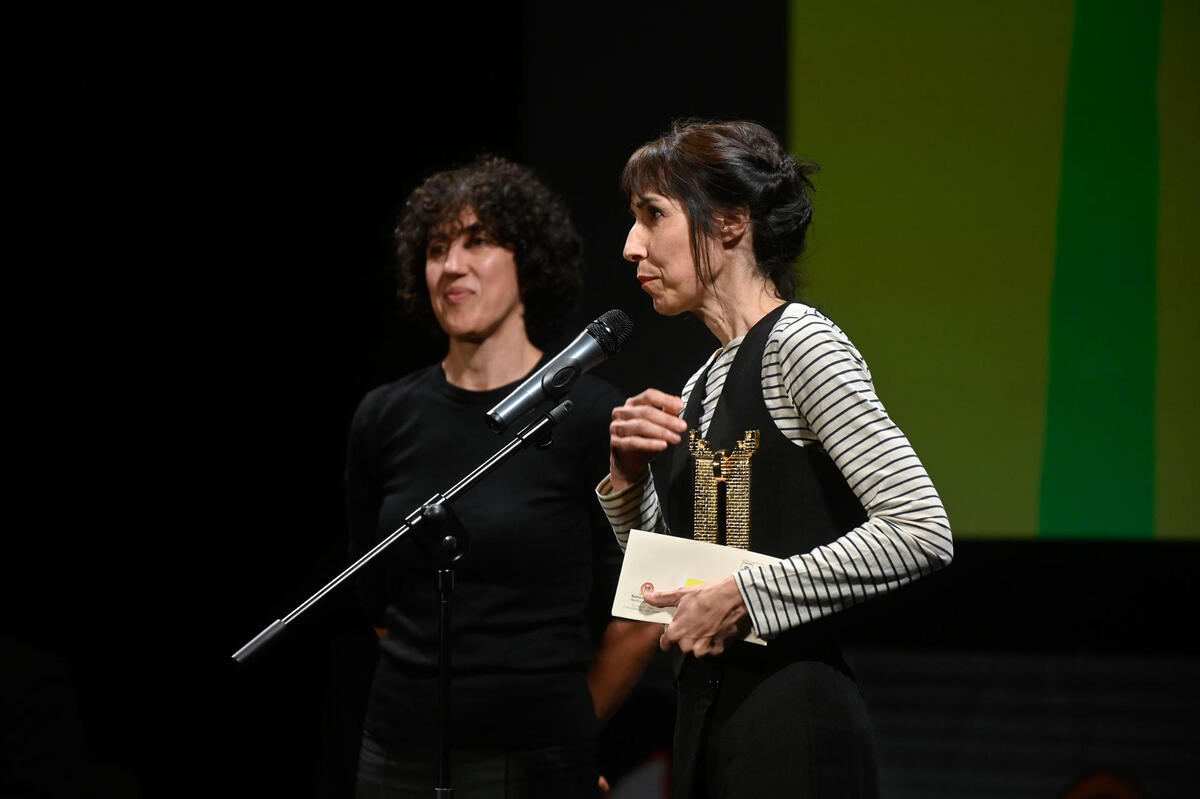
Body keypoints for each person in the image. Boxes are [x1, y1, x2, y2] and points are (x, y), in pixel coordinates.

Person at [596, 119, 954, 798]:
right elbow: (672, 583)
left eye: (653, 216)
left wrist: (746, 597)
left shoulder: (800, 343)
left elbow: (920, 528)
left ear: (731, 223)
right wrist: (626, 480)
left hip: (795, 725)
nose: (630, 245)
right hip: (707, 723)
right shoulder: (701, 380)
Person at [346, 154, 660, 799]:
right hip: (395, 754)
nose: (452, 265)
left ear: (528, 261)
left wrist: (571, 735)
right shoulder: (384, 416)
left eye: (477, 242)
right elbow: (375, 597)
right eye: (436, 249)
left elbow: (640, 612)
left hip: (537, 758)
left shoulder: (593, 416)